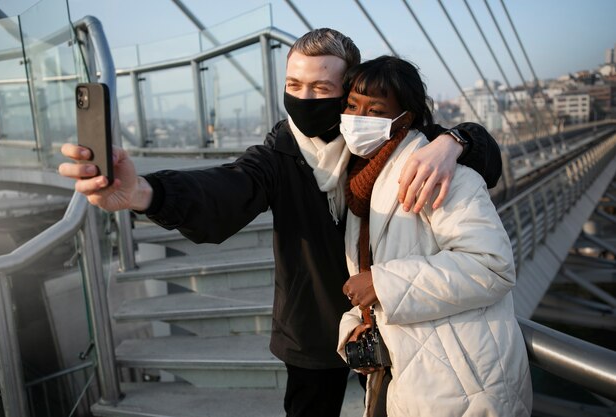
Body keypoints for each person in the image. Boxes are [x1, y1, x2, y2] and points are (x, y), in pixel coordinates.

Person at [59, 29, 504, 417]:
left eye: (321, 87)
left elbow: (475, 153)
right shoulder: (278, 155)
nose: (305, 99)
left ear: (348, 91)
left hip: (396, 324)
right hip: (313, 332)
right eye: (294, 84)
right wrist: (144, 194)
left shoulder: (381, 139)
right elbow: (227, 190)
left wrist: (456, 140)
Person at [337, 55, 531, 417]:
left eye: (375, 110)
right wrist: (356, 324)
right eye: (352, 105)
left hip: (467, 389)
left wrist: (382, 283)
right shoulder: (358, 189)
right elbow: (376, 274)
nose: (358, 118)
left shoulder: (440, 173)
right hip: (416, 382)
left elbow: (492, 266)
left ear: (404, 119)